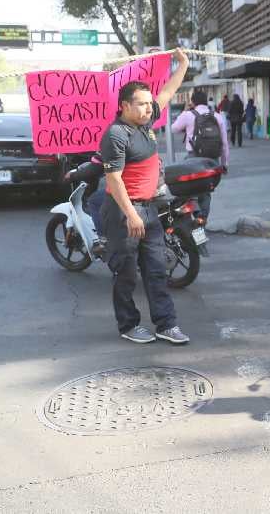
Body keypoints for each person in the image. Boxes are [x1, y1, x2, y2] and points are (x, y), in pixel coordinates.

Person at [98, 48, 190, 345]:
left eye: (149, 104)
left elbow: (168, 91)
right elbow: (113, 179)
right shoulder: (116, 135)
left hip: (148, 211)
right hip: (126, 214)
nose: (150, 109)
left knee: (156, 270)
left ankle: (166, 324)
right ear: (125, 106)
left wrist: (183, 64)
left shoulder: (145, 125)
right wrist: (132, 214)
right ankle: (128, 325)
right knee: (125, 274)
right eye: (142, 104)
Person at [171, 90, 230, 220]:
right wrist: (224, 164)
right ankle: (202, 220)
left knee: (188, 189)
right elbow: (224, 143)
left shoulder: (188, 115)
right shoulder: (217, 116)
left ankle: (193, 216)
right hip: (212, 159)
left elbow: (173, 128)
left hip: (193, 158)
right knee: (206, 191)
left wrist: (185, 110)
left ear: (192, 102)